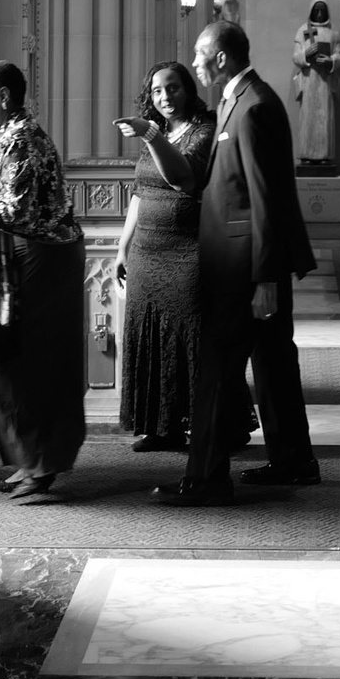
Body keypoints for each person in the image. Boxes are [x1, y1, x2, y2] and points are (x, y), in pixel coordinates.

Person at [154, 19, 318, 505]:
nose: (196, 63)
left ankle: (205, 479)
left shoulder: (255, 105)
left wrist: (265, 279)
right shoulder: (235, 100)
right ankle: (293, 460)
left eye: (200, 55)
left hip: (244, 270)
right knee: (273, 363)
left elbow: (266, 198)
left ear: (221, 57)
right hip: (242, 263)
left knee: (217, 370)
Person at [111, 61, 247, 453]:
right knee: (150, 337)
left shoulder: (204, 130)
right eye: (156, 91)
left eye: (172, 88)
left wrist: (150, 133)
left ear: (187, 89)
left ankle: (214, 425)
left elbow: (182, 178)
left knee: (193, 339)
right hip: (145, 251)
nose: (165, 97)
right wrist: (122, 247)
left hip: (187, 250)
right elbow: (140, 192)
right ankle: (160, 427)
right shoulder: (158, 133)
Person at [0, 60, 85, 499]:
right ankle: (30, 461)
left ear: (2, 96)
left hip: (40, 259)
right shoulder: (12, 133)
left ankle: (39, 464)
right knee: (8, 361)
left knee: (22, 364)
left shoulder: (21, 139)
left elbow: (15, 212)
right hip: (30, 256)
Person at [289, 0, 340, 166]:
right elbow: (296, 56)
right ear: (311, 11)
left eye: (322, 11)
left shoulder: (333, 32)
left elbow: (338, 54)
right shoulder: (303, 30)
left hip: (325, 82)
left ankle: (325, 155)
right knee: (308, 120)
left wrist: (330, 61)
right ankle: (307, 153)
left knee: (325, 119)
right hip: (309, 81)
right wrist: (306, 53)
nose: (319, 14)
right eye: (316, 11)